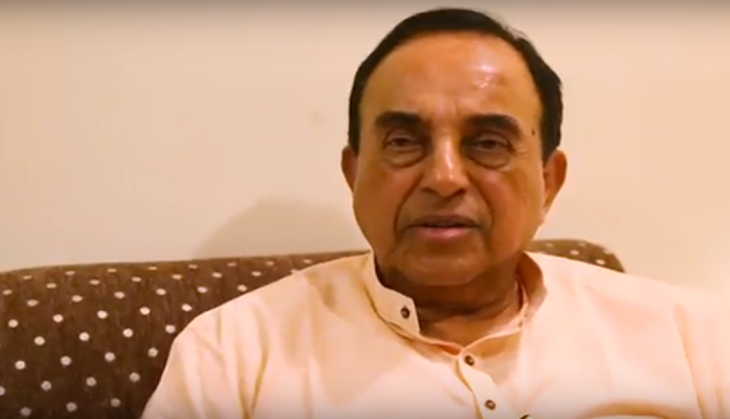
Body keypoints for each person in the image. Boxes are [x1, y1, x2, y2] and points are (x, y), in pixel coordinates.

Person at [141, 7, 730, 419]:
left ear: (548, 181)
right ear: (353, 174)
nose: (444, 177)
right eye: (403, 142)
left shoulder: (692, 338)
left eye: (488, 143)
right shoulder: (234, 354)